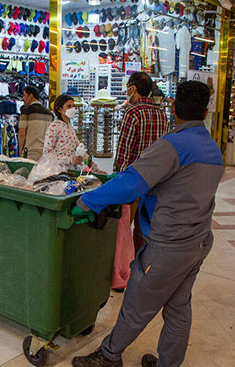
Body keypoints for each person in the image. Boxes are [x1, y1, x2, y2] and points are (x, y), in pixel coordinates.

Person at [71, 81, 224, 367]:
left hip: (168, 245)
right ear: (205, 113)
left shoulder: (174, 146)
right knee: (179, 307)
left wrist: (88, 201)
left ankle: (108, 356)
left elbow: (131, 184)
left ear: (174, 107)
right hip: (199, 242)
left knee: (137, 304)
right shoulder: (212, 148)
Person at [115, 72, 168, 256]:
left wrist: (117, 177)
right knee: (144, 229)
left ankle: (122, 268)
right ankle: (140, 264)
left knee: (122, 229)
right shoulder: (161, 114)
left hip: (134, 180)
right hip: (155, 180)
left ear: (133, 88)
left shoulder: (132, 112)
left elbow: (124, 149)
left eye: (128, 86)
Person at [18, 85, 54, 161]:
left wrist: (20, 151)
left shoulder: (26, 111)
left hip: (30, 153)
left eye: (24, 95)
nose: (23, 98)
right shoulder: (49, 114)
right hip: (45, 153)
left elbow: (22, 133)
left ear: (30, 96)